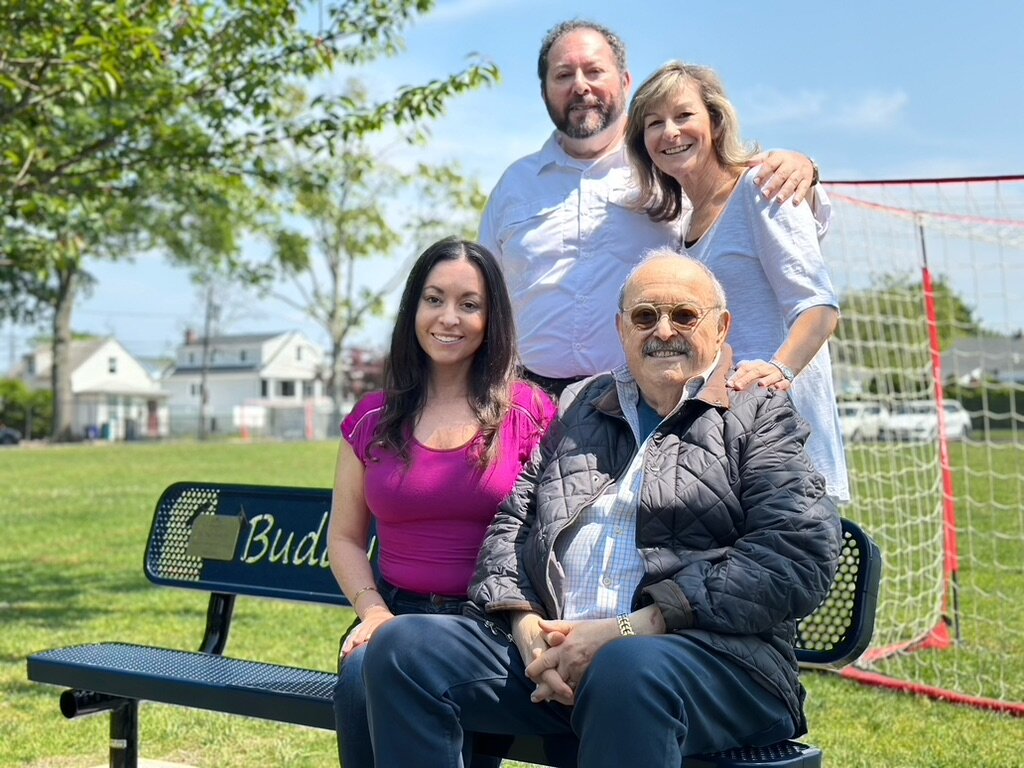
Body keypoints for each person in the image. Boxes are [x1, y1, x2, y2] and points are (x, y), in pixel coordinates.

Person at [359, 251, 843, 767]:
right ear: (621, 328)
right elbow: (512, 523)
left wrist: (629, 628)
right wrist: (525, 626)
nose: (663, 331)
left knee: (624, 670)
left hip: (713, 663)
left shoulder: (757, 413)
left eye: (684, 315)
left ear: (721, 327)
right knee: (403, 648)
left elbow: (797, 552)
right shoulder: (582, 406)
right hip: (554, 656)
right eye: (644, 316)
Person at [480, 19, 826, 397]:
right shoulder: (513, 185)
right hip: (530, 395)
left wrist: (805, 169)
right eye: (563, 75)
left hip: (646, 396)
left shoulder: (669, 166)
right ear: (544, 90)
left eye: (594, 71)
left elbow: (749, 199)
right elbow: (483, 295)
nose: (580, 86)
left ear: (625, 81)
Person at [327, 237, 557, 767]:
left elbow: (551, 529)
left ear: (491, 318)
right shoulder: (372, 418)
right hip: (393, 613)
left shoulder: (527, 412)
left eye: (468, 304)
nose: (448, 318)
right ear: (414, 308)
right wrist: (374, 613)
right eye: (434, 299)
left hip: (488, 626)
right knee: (361, 676)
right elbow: (344, 537)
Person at [625, 61, 849, 501]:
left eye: (683, 115)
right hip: (725, 446)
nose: (670, 131)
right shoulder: (682, 232)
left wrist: (779, 371)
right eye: (654, 123)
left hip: (785, 442)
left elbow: (819, 308)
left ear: (715, 120)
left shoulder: (762, 187)